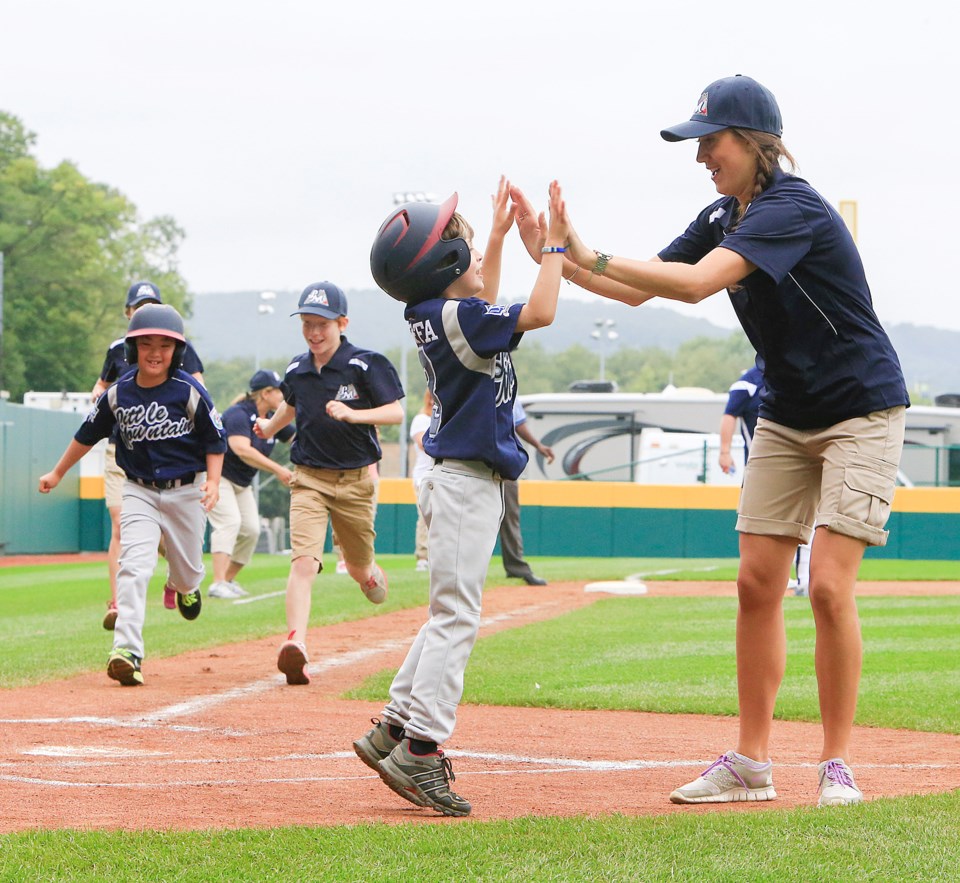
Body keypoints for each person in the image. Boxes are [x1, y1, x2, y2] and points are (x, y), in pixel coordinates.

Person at [513, 75, 909, 808]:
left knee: (826, 585)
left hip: (861, 406)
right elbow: (642, 288)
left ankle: (836, 765)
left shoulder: (792, 207)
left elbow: (695, 285)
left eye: (711, 141)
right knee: (756, 581)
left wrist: (582, 250)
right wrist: (555, 257)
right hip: (788, 410)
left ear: (755, 143)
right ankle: (752, 764)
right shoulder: (724, 211)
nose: (700, 156)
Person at [353, 176, 567, 817]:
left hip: (460, 481)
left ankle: (394, 726)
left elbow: (487, 299)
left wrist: (496, 238)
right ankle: (420, 750)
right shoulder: (463, 318)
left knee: (447, 612)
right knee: (456, 619)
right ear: (443, 265)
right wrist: (552, 248)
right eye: (467, 250)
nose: (476, 260)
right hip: (467, 483)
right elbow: (541, 311)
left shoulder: (441, 315)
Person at [39, 304, 226, 686]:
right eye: (146, 344)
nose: (155, 352)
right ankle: (127, 650)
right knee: (133, 566)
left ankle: (184, 587)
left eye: (164, 345)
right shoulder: (117, 394)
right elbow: (85, 435)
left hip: (186, 490)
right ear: (131, 349)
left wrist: (214, 482)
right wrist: (58, 471)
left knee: (189, 571)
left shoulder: (189, 392)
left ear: (177, 352)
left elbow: (215, 439)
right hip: (138, 488)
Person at [254, 281, 404, 686]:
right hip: (308, 479)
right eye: (306, 324)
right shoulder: (296, 369)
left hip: (355, 482)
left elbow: (395, 414)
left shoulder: (366, 365)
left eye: (321, 324)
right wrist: (268, 428)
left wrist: (354, 415)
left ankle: (369, 571)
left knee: (358, 570)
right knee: (304, 561)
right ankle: (296, 644)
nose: (313, 333)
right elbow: (291, 403)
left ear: (342, 323)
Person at [91, 281, 206, 630]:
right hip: (122, 450)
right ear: (127, 315)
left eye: (151, 305)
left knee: (161, 532)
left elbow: (197, 387)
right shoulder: (118, 350)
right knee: (119, 524)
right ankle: (118, 603)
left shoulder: (177, 349)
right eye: (137, 307)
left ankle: (179, 577)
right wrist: (100, 398)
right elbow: (101, 386)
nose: (143, 312)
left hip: (168, 453)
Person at [720, 360, 811, 596]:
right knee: (759, 528)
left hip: (797, 464)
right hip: (760, 468)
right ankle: (780, 578)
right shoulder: (748, 383)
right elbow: (729, 414)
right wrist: (724, 451)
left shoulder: (792, 375)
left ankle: (803, 579)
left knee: (801, 522)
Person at [206, 369, 294, 599]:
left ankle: (227, 579)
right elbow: (241, 449)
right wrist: (278, 470)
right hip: (219, 477)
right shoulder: (239, 413)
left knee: (251, 530)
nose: (284, 397)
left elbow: (299, 437)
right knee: (229, 523)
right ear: (266, 393)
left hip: (241, 483)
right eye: (280, 392)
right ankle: (216, 583)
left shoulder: (274, 419)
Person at [500, 400, 554, 585]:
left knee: (510, 515)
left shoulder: (508, 385)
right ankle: (464, 570)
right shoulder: (474, 381)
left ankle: (517, 568)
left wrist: (538, 446)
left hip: (504, 459)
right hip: (476, 459)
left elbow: (518, 423)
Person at [409, 389, 435, 572]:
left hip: (442, 474)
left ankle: (437, 556)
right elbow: (423, 444)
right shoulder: (421, 420)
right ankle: (423, 555)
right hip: (424, 475)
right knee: (425, 516)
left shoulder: (445, 418)